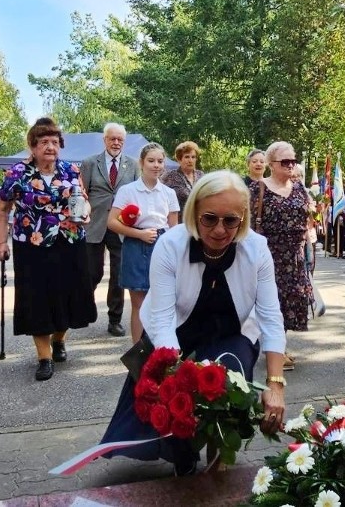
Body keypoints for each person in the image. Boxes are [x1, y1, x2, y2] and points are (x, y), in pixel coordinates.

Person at [100, 170, 287, 473]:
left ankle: (217, 461)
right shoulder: (169, 245)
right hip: (176, 328)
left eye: (231, 220)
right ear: (194, 212)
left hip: (232, 330)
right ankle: (183, 460)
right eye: (210, 218)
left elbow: (270, 315)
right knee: (179, 395)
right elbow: (160, 317)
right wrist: (178, 373)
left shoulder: (257, 248)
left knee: (230, 375)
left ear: (243, 218)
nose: (219, 230)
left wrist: (275, 383)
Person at [0, 117, 97, 381]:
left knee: (69, 296)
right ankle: (43, 357)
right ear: (33, 146)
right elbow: (2, 208)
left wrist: (85, 213)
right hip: (32, 246)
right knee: (37, 299)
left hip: (69, 242)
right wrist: (2, 242)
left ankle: (59, 339)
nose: (50, 147)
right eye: (43, 142)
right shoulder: (17, 173)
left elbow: (83, 200)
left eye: (54, 142)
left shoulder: (71, 170)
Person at [249, 141, 313, 371]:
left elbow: (307, 216)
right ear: (271, 164)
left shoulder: (298, 187)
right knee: (270, 302)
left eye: (293, 161)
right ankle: (274, 350)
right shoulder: (259, 188)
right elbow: (247, 223)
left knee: (289, 300)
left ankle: (279, 347)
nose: (290, 165)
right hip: (269, 253)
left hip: (295, 254)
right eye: (285, 161)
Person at [107, 143, 180, 343]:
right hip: (135, 246)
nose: (156, 165)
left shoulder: (169, 193)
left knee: (164, 301)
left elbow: (174, 228)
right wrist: (138, 235)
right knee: (138, 303)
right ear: (141, 163)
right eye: (151, 161)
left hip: (162, 246)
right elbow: (112, 222)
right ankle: (138, 355)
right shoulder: (127, 190)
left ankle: (163, 349)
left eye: (160, 161)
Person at [82, 123, 139, 337]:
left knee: (118, 275)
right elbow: (83, 194)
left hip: (122, 227)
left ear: (124, 142)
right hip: (94, 225)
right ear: (104, 140)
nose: (116, 143)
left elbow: (136, 195)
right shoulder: (89, 163)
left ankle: (115, 320)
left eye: (120, 140)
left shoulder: (132, 165)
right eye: (112, 139)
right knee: (92, 273)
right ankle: (86, 309)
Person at [161, 141, 204, 220]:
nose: (190, 160)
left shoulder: (201, 175)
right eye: (187, 157)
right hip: (178, 223)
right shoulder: (170, 176)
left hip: (199, 222)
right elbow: (160, 198)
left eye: (193, 157)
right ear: (179, 159)